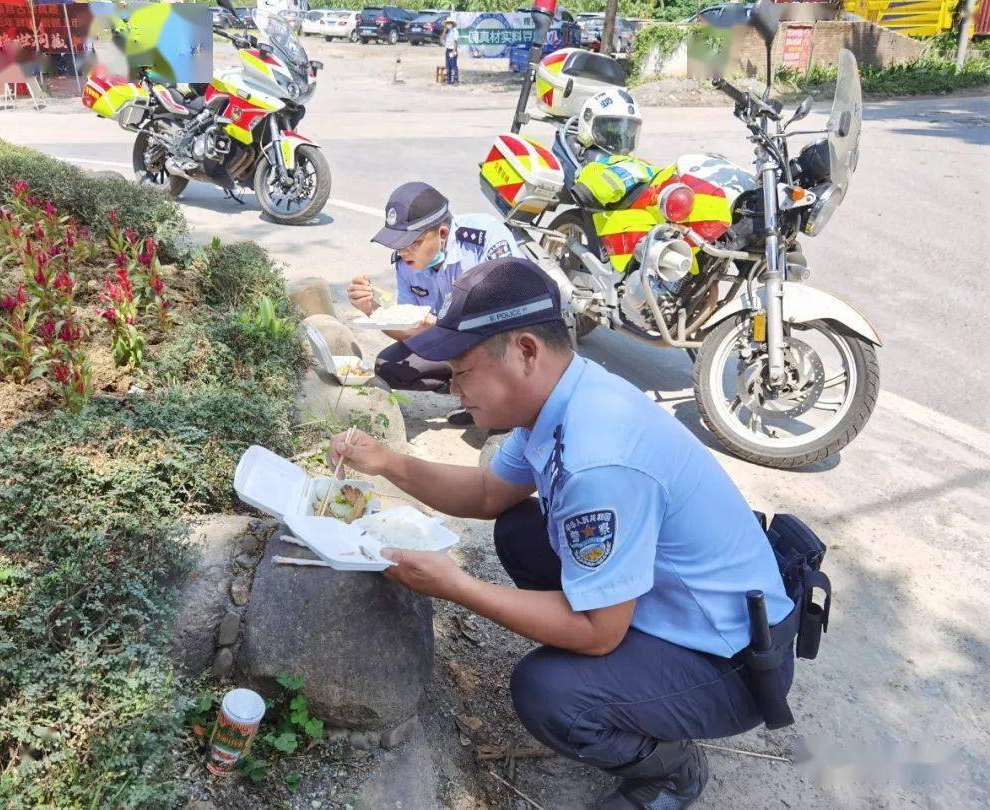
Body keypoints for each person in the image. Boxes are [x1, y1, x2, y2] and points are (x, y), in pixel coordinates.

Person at [329, 257, 796, 809]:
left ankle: (671, 771)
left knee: (549, 692)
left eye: (462, 370)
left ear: (526, 351)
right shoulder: (564, 397)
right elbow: (486, 495)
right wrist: (386, 462)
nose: (454, 390)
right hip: (673, 608)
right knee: (521, 530)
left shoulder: (597, 458)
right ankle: (629, 683)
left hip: (729, 663)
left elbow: (599, 633)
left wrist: (455, 586)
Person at [347, 182, 522, 415]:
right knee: (389, 367)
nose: (403, 252)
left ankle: (503, 409)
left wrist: (445, 326)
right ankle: (467, 394)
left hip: (503, 342)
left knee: (496, 358)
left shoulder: (486, 239)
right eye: (398, 244)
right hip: (454, 345)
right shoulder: (405, 265)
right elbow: (408, 331)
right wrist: (372, 309)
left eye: (413, 243)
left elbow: (512, 315)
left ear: (442, 234)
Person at [442, 18, 459, 85]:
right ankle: (448, 80)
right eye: (447, 23)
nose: (448, 24)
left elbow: (455, 41)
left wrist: (454, 51)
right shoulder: (448, 31)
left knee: (453, 66)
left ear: (452, 24)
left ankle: (456, 80)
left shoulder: (455, 31)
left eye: (449, 23)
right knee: (448, 66)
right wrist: (444, 30)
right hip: (447, 50)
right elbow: (442, 38)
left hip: (452, 50)